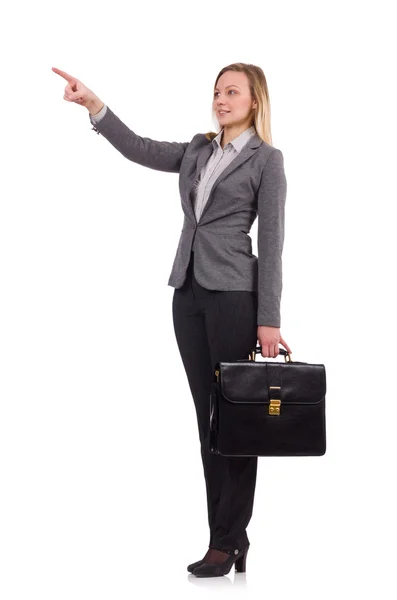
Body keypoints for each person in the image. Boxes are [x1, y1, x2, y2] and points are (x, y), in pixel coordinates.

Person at [53, 62, 292, 578]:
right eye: (217, 91)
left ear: (254, 102)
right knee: (209, 420)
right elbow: (141, 148)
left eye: (232, 92)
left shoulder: (266, 161)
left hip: (234, 295)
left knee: (236, 420)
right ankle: (227, 537)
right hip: (186, 293)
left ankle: (226, 540)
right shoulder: (199, 149)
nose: (221, 100)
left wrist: (268, 319)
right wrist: (96, 106)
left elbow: (272, 244)